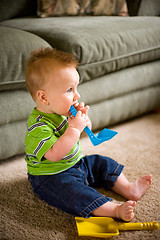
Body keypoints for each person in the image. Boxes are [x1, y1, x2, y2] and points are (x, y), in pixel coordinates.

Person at [25, 47, 152, 221]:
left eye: (76, 87)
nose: (77, 95)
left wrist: (83, 121)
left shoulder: (62, 111)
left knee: (101, 163)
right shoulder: (38, 127)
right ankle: (113, 210)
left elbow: (85, 133)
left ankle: (129, 189)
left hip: (76, 163)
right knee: (74, 193)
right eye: (69, 90)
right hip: (51, 177)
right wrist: (74, 129)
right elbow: (55, 154)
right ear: (44, 98)